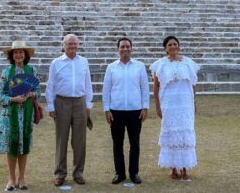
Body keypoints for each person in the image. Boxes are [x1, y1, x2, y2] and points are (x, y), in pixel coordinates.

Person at [46, 33, 93, 186]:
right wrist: (51, 106)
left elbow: (88, 84)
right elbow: (50, 85)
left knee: (80, 140)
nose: (72, 47)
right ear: (64, 45)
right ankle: (60, 174)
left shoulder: (84, 61)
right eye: (69, 44)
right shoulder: (56, 63)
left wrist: (88, 105)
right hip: (61, 102)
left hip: (80, 102)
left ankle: (78, 173)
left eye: (75, 44)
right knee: (61, 139)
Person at [151, 35, 200, 181]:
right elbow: (156, 87)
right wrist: (158, 107)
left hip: (185, 106)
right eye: (169, 45)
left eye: (175, 44)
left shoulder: (188, 63)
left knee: (184, 136)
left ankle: (185, 169)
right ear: (165, 48)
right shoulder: (159, 64)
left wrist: (194, 103)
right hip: (169, 106)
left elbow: (193, 84)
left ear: (179, 46)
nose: (173, 46)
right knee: (171, 136)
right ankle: (173, 170)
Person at [0, 40, 41, 191]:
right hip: (9, 116)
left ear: (25, 55)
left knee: (24, 144)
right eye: (16, 52)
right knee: (11, 145)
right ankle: (11, 178)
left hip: (26, 115)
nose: (18, 54)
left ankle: (22, 177)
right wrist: (13, 99)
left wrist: (31, 94)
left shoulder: (32, 71)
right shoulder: (6, 72)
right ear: (12, 56)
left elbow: (38, 92)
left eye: (21, 52)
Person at [103, 37, 149, 185]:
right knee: (117, 144)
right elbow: (106, 89)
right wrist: (106, 109)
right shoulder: (111, 67)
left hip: (135, 110)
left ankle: (134, 173)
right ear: (118, 49)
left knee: (135, 143)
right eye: (122, 47)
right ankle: (120, 173)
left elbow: (144, 88)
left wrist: (145, 107)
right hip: (116, 111)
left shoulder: (139, 66)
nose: (125, 49)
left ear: (131, 48)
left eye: (127, 46)